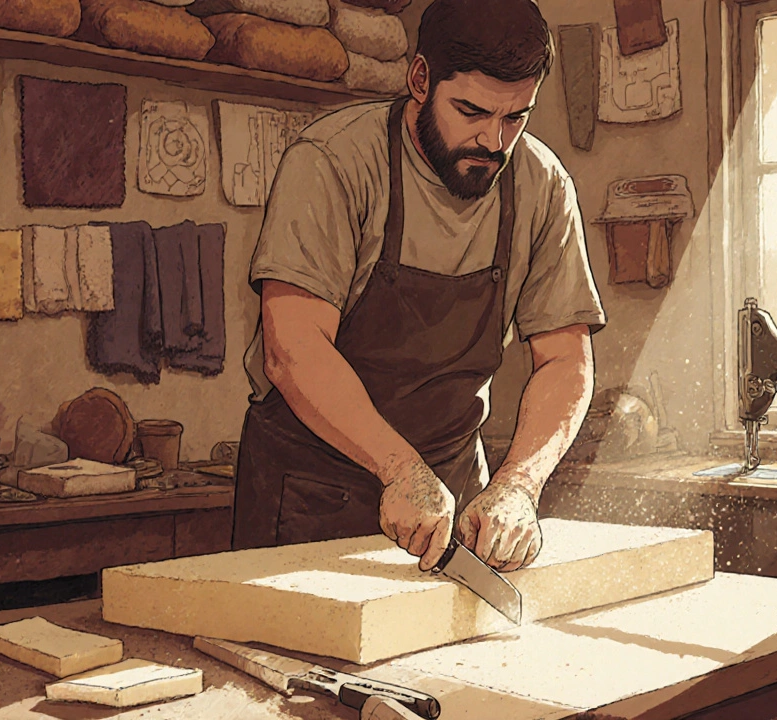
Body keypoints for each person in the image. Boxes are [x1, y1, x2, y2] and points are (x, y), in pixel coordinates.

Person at [231, 0, 606, 575]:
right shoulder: (333, 161)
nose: (493, 141)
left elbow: (565, 358)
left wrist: (519, 485)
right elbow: (293, 348)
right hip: (310, 493)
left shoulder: (542, 184)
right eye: (471, 111)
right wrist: (399, 469)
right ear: (420, 78)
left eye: (515, 118)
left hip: (451, 496)